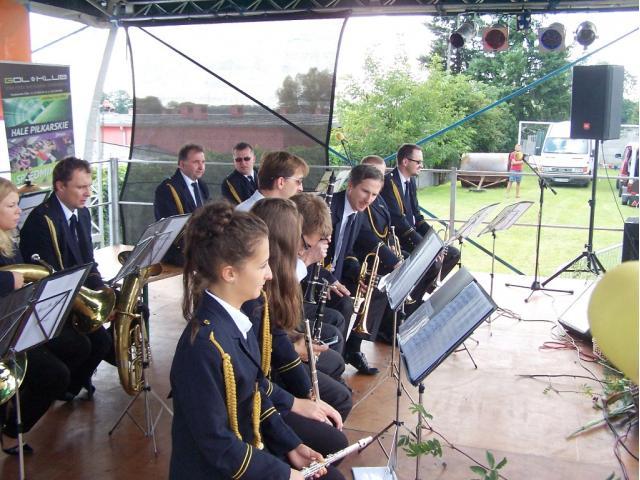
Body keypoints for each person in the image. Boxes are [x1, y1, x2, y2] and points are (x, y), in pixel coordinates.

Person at [170, 201, 326, 480]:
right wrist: (283, 474)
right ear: (229, 273)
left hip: (245, 457)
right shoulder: (203, 347)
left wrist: (290, 445)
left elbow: (253, 393)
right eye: (263, 265)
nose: (270, 274)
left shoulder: (238, 320)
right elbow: (217, 445)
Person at [248, 198, 352, 423]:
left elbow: (277, 327)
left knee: (335, 365)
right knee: (340, 399)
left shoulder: (276, 266)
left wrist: (296, 340)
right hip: (270, 374)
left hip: (278, 353)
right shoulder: (262, 279)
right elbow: (267, 341)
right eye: (303, 245)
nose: (301, 251)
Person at [20, 157, 113, 400]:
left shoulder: (82, 213)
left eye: (89, 186)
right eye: (81, 187)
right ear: (60, 186)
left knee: (103, 340)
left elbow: (88, 261)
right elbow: (48, 277)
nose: (88, 193)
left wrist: (101, 291)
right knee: (90, 344)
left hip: (75, 296)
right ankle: (61, 388)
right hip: (54, 305)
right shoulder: (41, 221)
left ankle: (71, 386)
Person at [0, 178, 74, 455]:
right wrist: (8, 281)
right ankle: (10, 431)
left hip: (16, 325)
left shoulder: (9, 241)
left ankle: (13, 426)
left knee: (62, 365)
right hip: (5, 333)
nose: (18, 211)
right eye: (11, 206)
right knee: (53, 374)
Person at [324, 165, 387, 375]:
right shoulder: (328, 207)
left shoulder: (358, 213)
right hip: (318, 277)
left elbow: (347, 251)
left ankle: (353, 348)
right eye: (365, 191)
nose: (369, 199)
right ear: (350, 186)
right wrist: (330, 279)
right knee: (345, 304)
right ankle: (335, 365)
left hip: (337, 275)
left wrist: (358, 273)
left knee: (377, 289)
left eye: (374, 195)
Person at [380, 144, 460, 291]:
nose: (421, 165)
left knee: (453, 254)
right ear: (405, 162)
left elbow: (417, 215)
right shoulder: (388, 183)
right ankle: (415, 296)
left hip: (412, 235)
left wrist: (434, 240)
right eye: (418, 162)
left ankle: (424, 290)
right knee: (432, 263)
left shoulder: (410, 181)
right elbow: (399, 221)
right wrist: (425, 244)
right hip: (400, 241)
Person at [153, 143, 210, 266]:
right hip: (179, 252)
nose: (201, 167)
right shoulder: (167, 189)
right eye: (196, 162)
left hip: (200, 247)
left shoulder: (202, 186)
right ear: (181, 164)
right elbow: (171, 229)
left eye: (203, 162)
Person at [236, 151, 308, 212]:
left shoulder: (243, 211)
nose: (301, 188)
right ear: (281, 182)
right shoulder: (256, 215)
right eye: (298, 181)